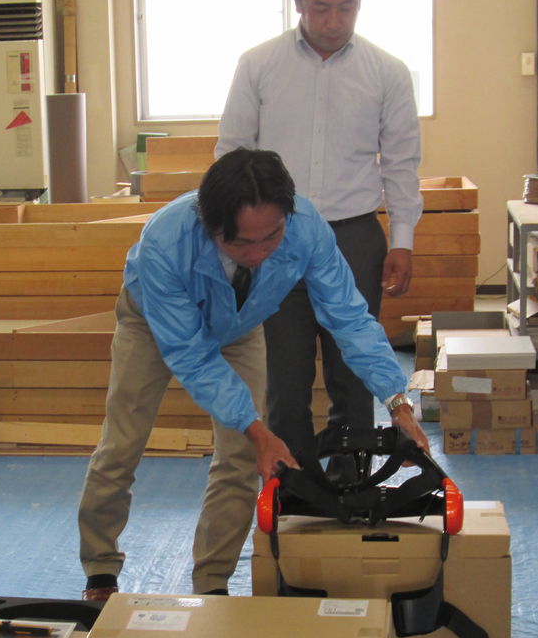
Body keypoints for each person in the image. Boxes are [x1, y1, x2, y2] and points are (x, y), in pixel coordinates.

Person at [76, 148, 429, 600]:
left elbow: (349, 318)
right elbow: (192, 356)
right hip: (154, 324)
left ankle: (212, 582)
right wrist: (258, 428)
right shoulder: (165, 241)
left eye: (272, 237)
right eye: (242, 243)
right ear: (210, 225)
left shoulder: (307, 228)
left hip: (240, 324)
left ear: (287, 216)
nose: (259, 254)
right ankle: (100, 567)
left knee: (242, 456)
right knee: (123, 442)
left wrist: (397, 402)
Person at [215, 0, 422, 475]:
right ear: (298, 3)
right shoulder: (258, 65)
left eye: (346, 7)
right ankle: (293, 485)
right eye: (321, 8)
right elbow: (231, 154)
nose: (333, 21)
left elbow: (402, 165)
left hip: (353, 237)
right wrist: (234, 244)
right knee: (284, 378)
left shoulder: (388, 72)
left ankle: (349, 482)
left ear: (361, 1)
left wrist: (402, 241)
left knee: (353, 371)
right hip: (275, 240)